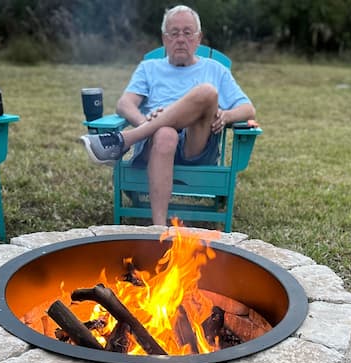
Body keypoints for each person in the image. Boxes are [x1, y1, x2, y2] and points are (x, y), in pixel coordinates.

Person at [80, 4, 257, 226]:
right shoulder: (149, 68)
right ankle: (159, 229)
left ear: (198, 38)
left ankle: (125, 140)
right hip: (155, 144)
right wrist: (146, 122)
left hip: (197, 145)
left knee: (207, 92)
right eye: (174, 33)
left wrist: (226, 115)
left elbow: (248, 109)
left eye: (187, 32)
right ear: (164, 39)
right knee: (165, 133)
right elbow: (125, 104)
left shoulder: (215, 70)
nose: (180, 39)